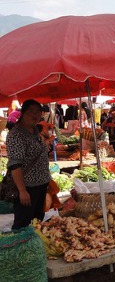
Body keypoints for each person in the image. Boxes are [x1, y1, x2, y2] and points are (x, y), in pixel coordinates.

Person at [6, 99, 52, 230]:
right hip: (27, 187)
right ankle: (20, 248)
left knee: (37, 221)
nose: (35, 114)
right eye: (31, 111)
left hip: (41, 184)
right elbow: (15, 165)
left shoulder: (34, 131)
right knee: (23, 223)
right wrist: (22, 191)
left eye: (38, 111)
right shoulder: (16, 135)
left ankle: (34, 246)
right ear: (23, 112)